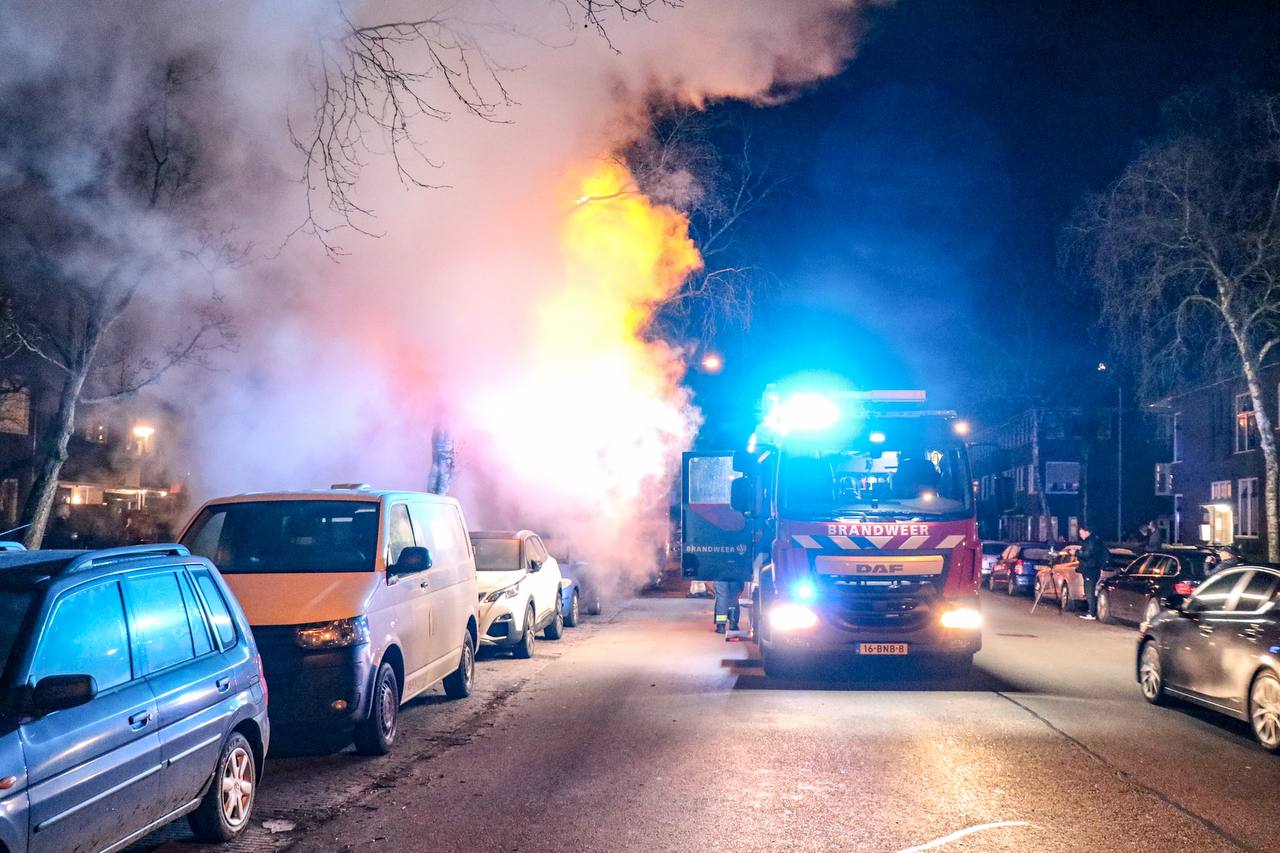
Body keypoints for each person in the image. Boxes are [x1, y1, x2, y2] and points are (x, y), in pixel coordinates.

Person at [1077, 523, 1107, 620]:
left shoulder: (1091, 541)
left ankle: (1092, 612)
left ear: (1086, 532)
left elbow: (1087, 555)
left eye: (1081, 533)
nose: (1080, 535)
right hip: (1092, 568)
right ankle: (1091, 611)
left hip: (1090, 569)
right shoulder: (1094, 540)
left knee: (1089, 591)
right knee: (1089, 590)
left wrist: (1077, 553)